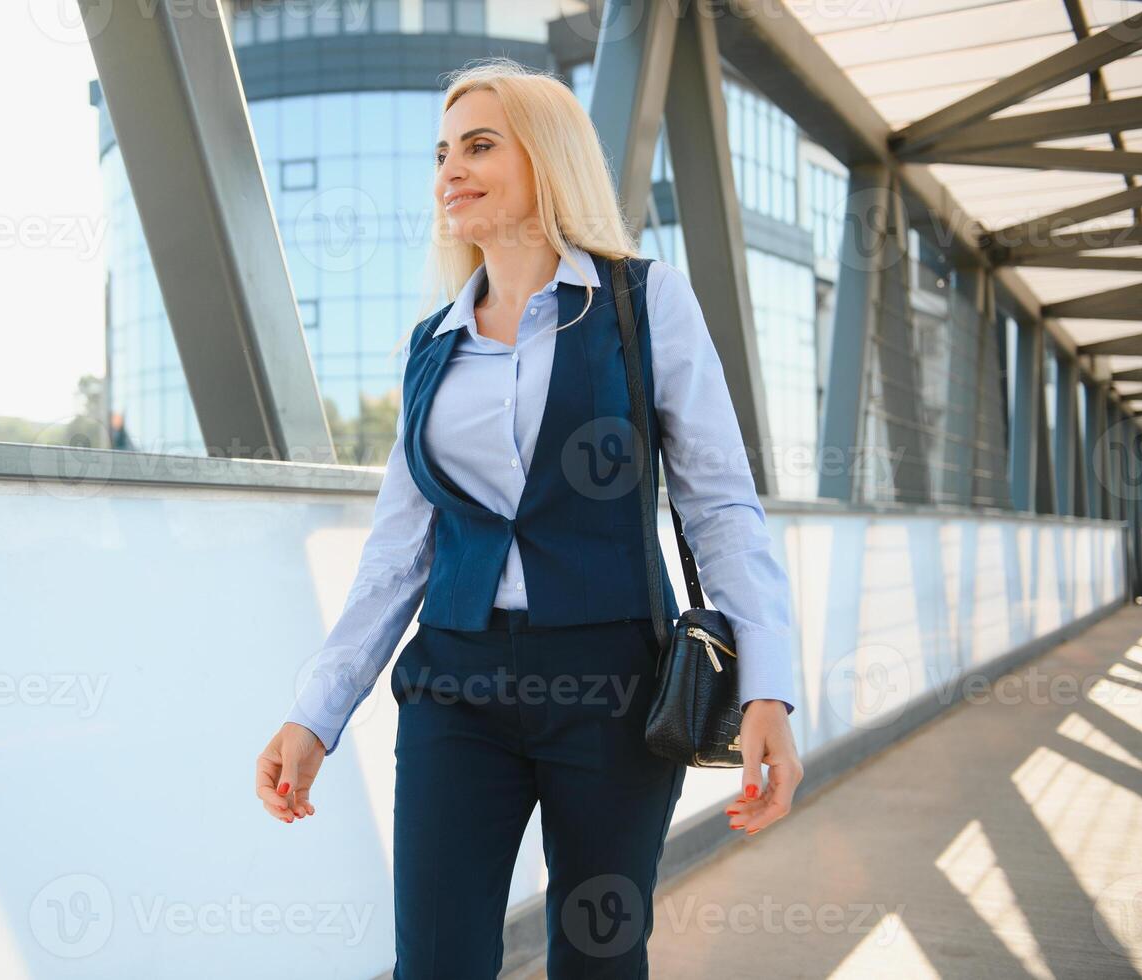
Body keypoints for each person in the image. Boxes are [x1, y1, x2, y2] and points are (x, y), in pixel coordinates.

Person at [256, 56, 803, 978]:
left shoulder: (641, 301)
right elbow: (397, 554)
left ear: (546, 159)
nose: (448, 172)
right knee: (432, 962)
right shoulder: (432, 346)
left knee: (597, 957)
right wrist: (314, 715)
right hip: (454, 685)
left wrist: (767, 692)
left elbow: (718, 503)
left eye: (478, 146)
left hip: (612, 688)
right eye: (440, 153)